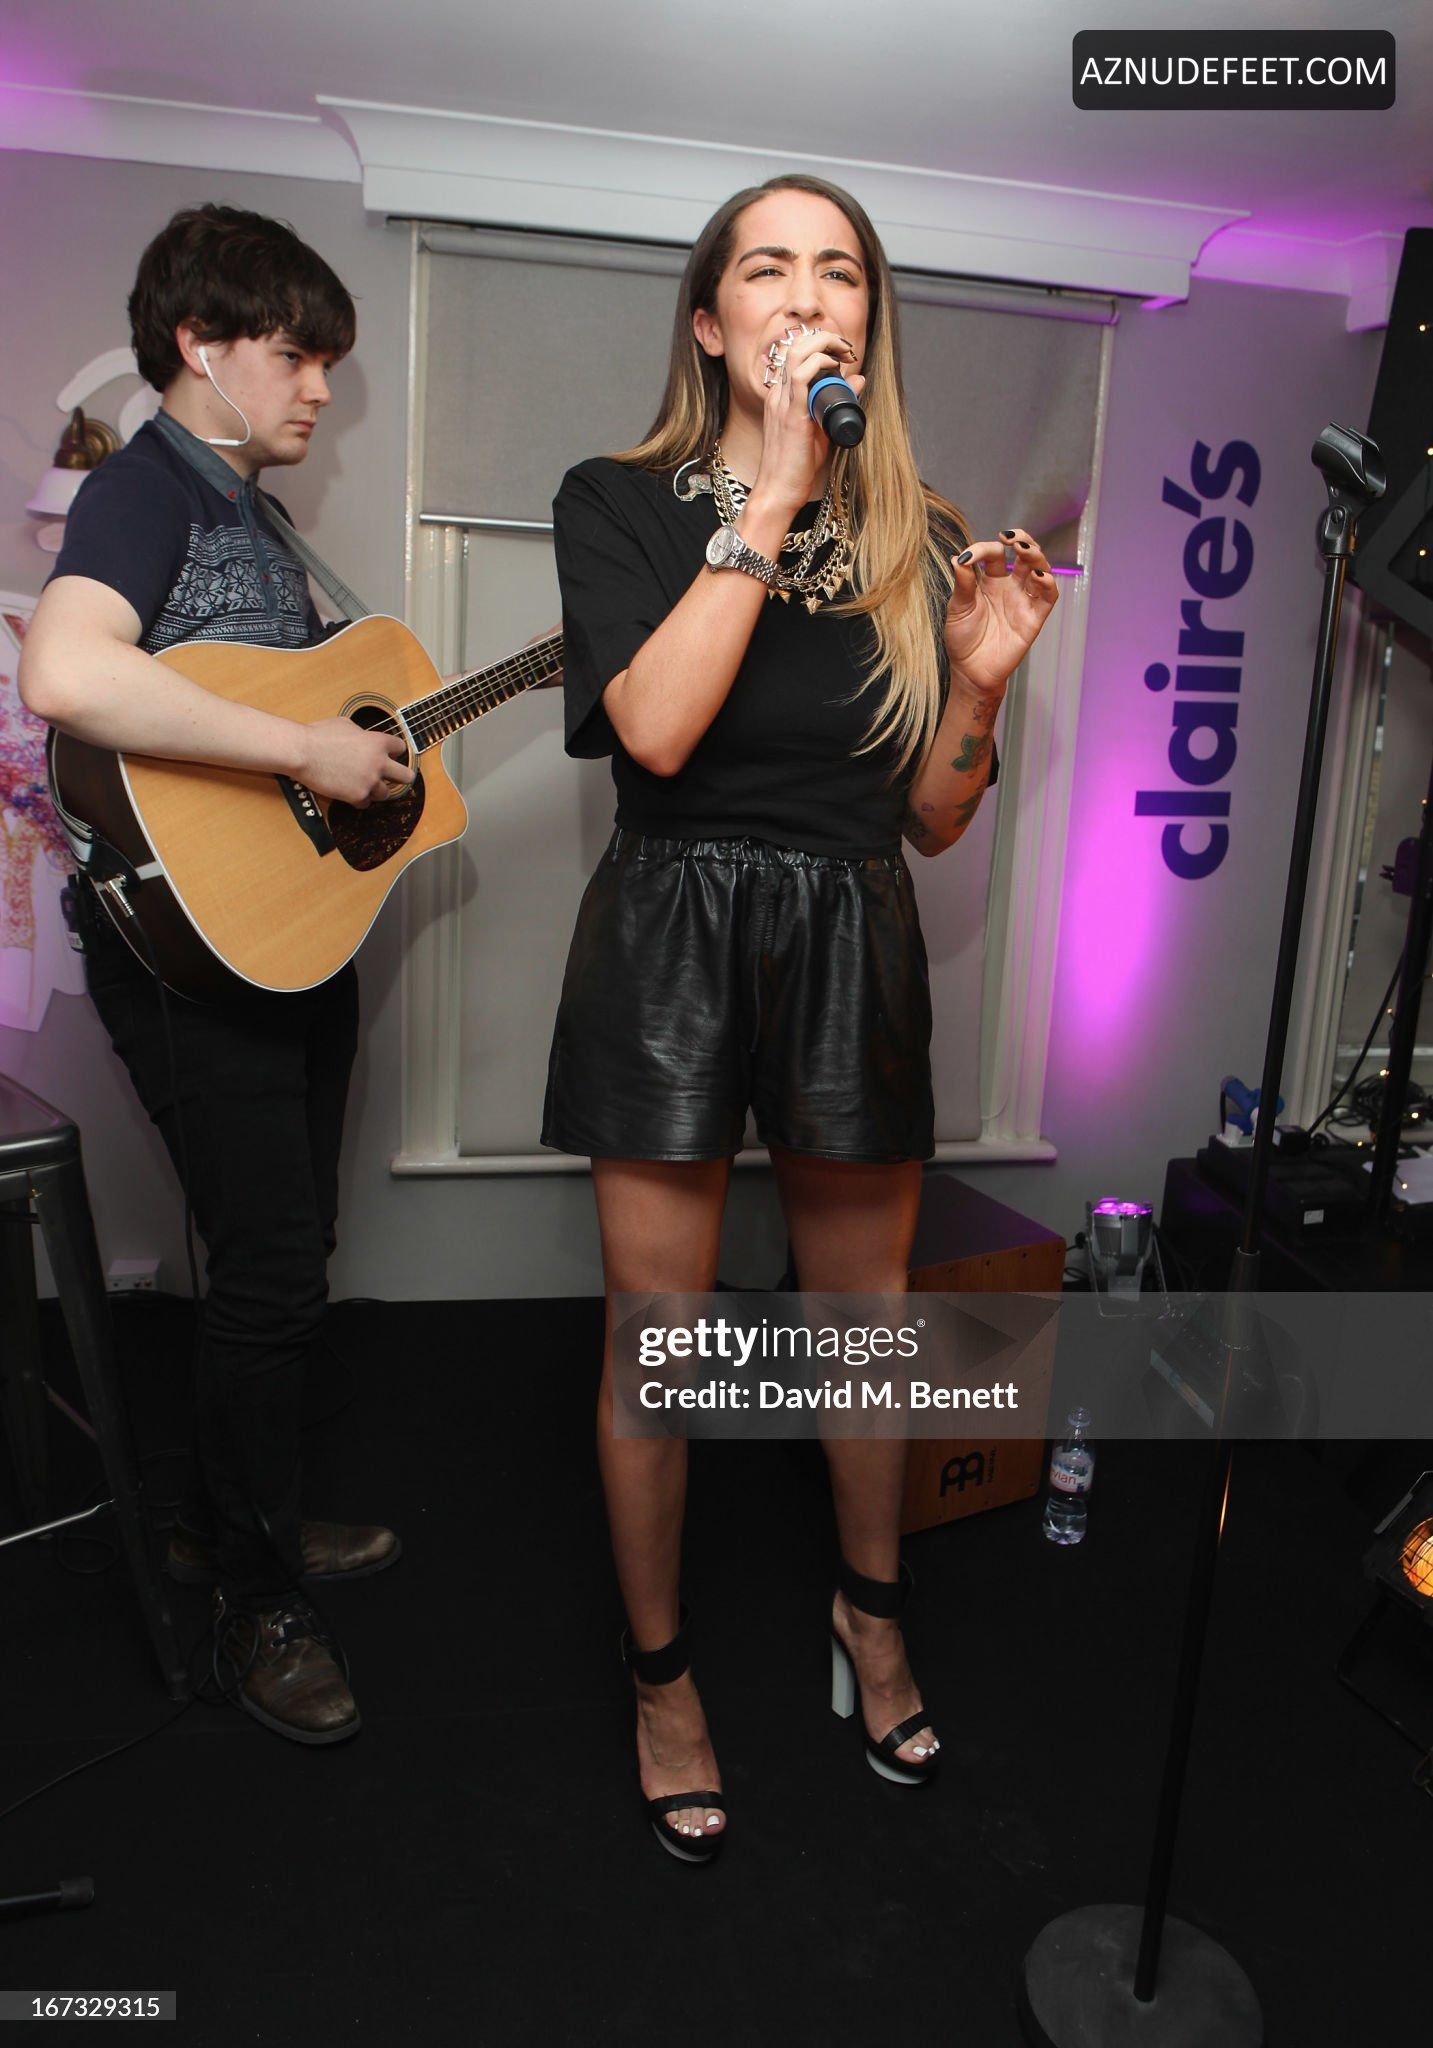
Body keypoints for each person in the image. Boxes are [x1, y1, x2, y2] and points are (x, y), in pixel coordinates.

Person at [543, 173, 1059, 1862]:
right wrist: (769, 491)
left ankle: (870, 1613)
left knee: (861, 1318)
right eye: (767, 269)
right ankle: (660, 1677)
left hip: (850, 920)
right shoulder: (617, 501)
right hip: (673, 923)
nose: (806, 296)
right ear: (712, 324)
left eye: (837, 272)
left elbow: (934, 819)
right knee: (660, 1336)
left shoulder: (920, 527)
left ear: (865, 322)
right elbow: (656, 733)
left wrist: (975, 681)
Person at [20, 204, 414, 1745]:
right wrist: (308, 747)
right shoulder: (145, 489)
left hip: (289, 935)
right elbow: (68, 672)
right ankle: (256, 1600)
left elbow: (280, 727)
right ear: (198, 344)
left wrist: (347, 758)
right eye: (296, 356)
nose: (320, 389)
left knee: (287, 1254)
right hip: (183, 964)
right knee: (266, 1274)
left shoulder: (258, 516)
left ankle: (228, 1516)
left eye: (328, 363)